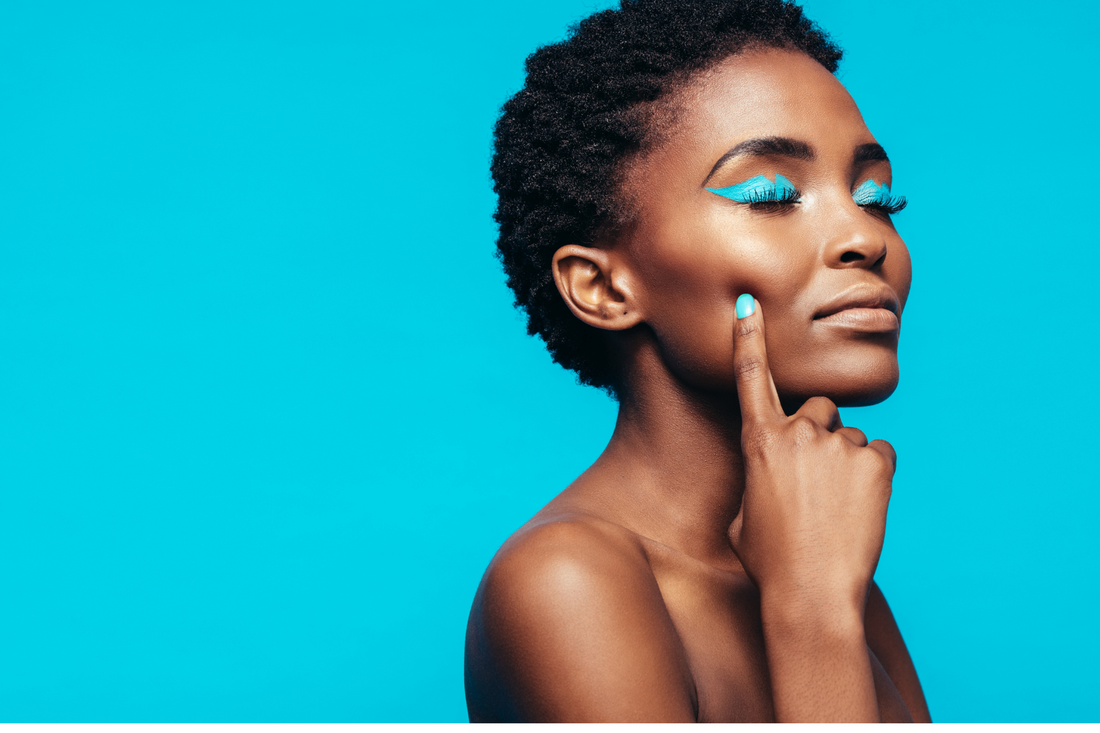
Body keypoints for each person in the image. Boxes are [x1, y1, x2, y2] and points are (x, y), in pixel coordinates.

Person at [464, 0, 930, 722]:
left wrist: (820, 599)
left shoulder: (834, 575)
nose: (863, 237)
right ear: (604, 286)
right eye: (772, 194)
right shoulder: (567, 579)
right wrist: (811, 615)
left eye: (877, 196)